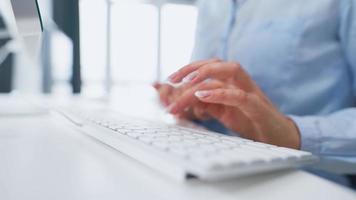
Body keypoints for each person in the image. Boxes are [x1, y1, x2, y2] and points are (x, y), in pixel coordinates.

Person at [154, 0, 356, 188]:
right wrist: (189, 101)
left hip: (299, 183)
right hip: (199, 170)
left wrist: (293, 134)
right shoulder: (210, 4)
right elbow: (207, 85)